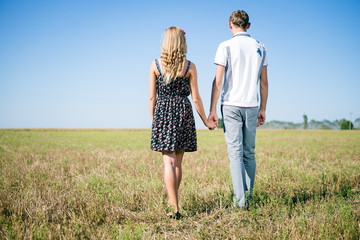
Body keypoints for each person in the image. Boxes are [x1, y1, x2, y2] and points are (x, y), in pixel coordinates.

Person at [149, 27, 216, 219]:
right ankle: (173, 203)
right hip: (183, 112)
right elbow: (196, 99)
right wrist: (206, 121)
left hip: (163, 112)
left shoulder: (155, 65)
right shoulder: (189, 66)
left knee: (167, 162)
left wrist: (155, 122)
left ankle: (174, 207)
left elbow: (151, 98)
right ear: (182, 43)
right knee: (177, 162)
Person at [208, 10, 268, 208]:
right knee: (249, 153)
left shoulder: (225, 46)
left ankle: (240, 202)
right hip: (252, 105)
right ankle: (248, 199)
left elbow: (218, 82)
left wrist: (213, 110)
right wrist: (263, 108)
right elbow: (264, 83)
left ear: (229, 24)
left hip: (231, 105)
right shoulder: (261, 47)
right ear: (248, 25)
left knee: (235, 154)